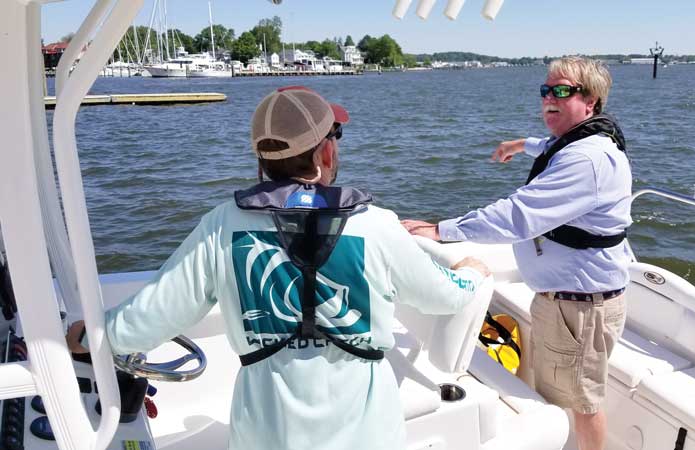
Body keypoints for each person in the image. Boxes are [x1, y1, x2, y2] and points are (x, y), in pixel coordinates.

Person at [67, 86, 489, 450]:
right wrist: (470, 272)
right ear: (325, 151)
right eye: (334, 136)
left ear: (261, 159)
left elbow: (152, 317)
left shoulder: (221, 227)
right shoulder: (375, 226)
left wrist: (89, 335)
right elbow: (443, 295)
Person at [403, 56, 632, 450]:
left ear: (591, 101)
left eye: (562, 91)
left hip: (578, 309)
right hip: (570, 302)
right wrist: (520, 144)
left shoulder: (586, 160)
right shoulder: (581, 141)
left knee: (577, 404)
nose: (549, 98)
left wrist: (441, 230)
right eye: (546, 90)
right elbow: (550, 146)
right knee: (572, 395)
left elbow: (517, 216)